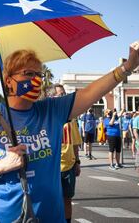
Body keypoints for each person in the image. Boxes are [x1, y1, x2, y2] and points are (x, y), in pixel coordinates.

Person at [0, 41, 139, 222]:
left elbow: (91, 92)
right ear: (8, 81)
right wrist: (1, 165)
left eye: (39, 75)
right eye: (28, 73)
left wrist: (127, 67)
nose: (36, 80)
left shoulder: (51, 110)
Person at [51, 84, 82, 223]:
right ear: (52, 97)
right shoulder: (47, 116)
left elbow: (75, 143)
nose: (64, 96)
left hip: (68, 165)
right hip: (51, 167)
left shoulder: (72, 118)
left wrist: (77, 162)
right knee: (50, 199)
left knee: (67, 199)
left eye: (64, 93)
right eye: (60, 94)